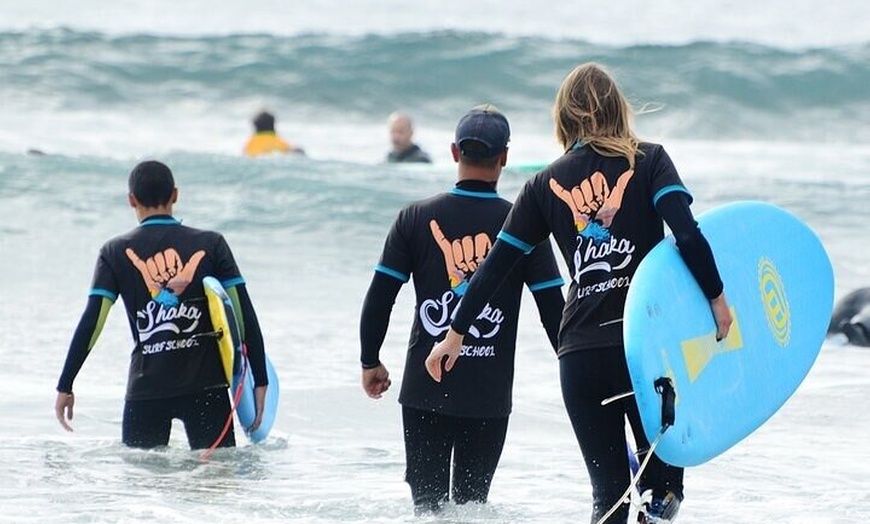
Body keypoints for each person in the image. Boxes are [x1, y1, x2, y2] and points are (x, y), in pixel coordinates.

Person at [425, 64, 733, 524]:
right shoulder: (649, 159)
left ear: (563, 118)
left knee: (608, 497)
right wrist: (717, 300)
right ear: (617, 109)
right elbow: (688, 236)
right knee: (663, 488)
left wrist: (455, 333)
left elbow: (493, 269)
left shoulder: (541, 184)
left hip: (580, 355)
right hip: (640, 350)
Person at [361, 105, 565, 514]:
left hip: (425, 387)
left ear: (455, 152)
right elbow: (553, 312)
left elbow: (381, 295)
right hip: (487, 394)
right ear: (504, 158)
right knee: (473, 509)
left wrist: (371, 360)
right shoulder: (522, 223)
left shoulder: (414, 218)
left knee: (427, 511)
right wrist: (577, 370)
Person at [54, 160, 270, 450]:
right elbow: (242, 313)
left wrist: (66, 383)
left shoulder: (114, 252)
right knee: (217, 484)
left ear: (131, 200)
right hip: (206, 387)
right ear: (175, 195)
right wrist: (260, 378)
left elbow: (93, 322)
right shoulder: (211, 243)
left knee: (143, 484)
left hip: (147, 389)